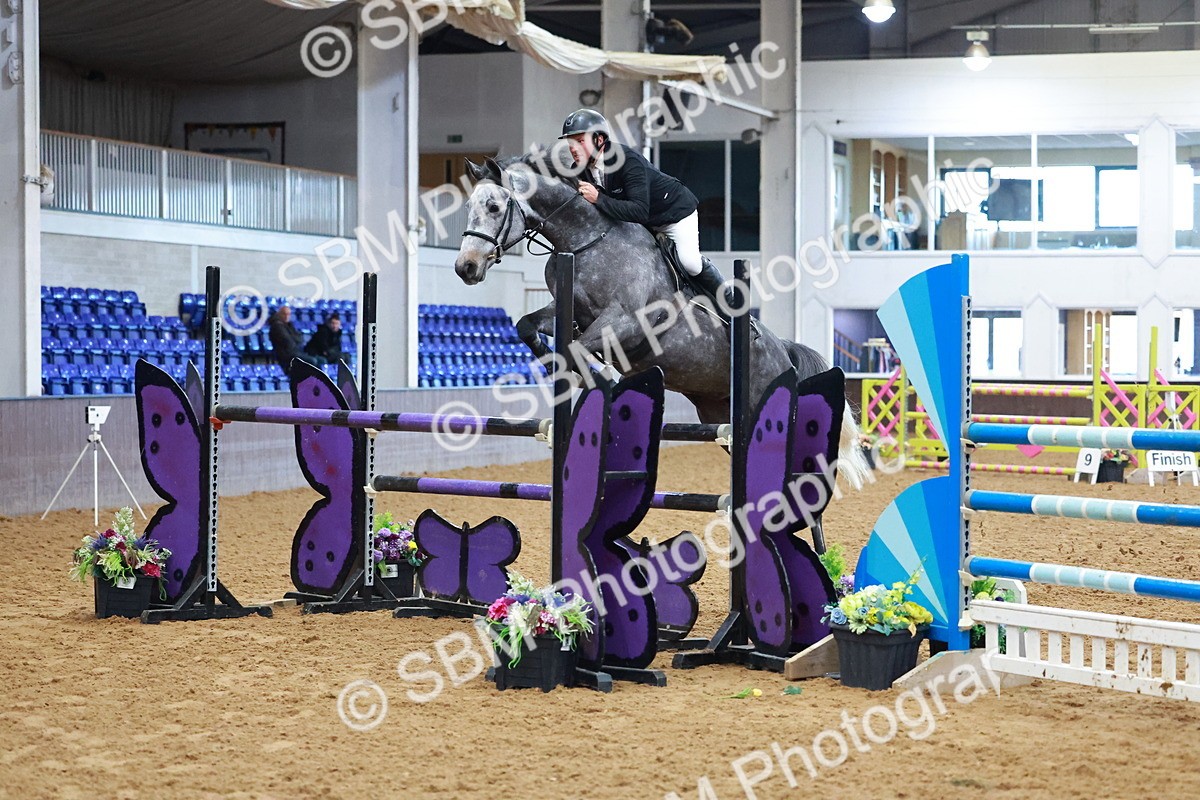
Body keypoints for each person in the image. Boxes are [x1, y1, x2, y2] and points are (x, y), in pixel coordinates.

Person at [559, 108, 735, 311]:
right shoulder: (578, 169)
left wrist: (599, 199)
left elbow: (639, 210)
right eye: (570, 142)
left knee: (690, 263)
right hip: (643, 225)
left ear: (599, 139)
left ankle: (731, 304)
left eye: (580, 141)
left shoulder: (627, 160)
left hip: (674, 214)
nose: (573, 148)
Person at [267, 305, 320, 371]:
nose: (286, 316)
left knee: (321, 360)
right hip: (286, 354)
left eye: (288, 314)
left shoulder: (289, 325)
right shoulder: (277, 327)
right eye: (284, 314)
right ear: (279, 314)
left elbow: (300, 339)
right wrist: (295, 341)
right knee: (312, 361)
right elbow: (287, 341)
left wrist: (295, 341)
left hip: (296, 351)